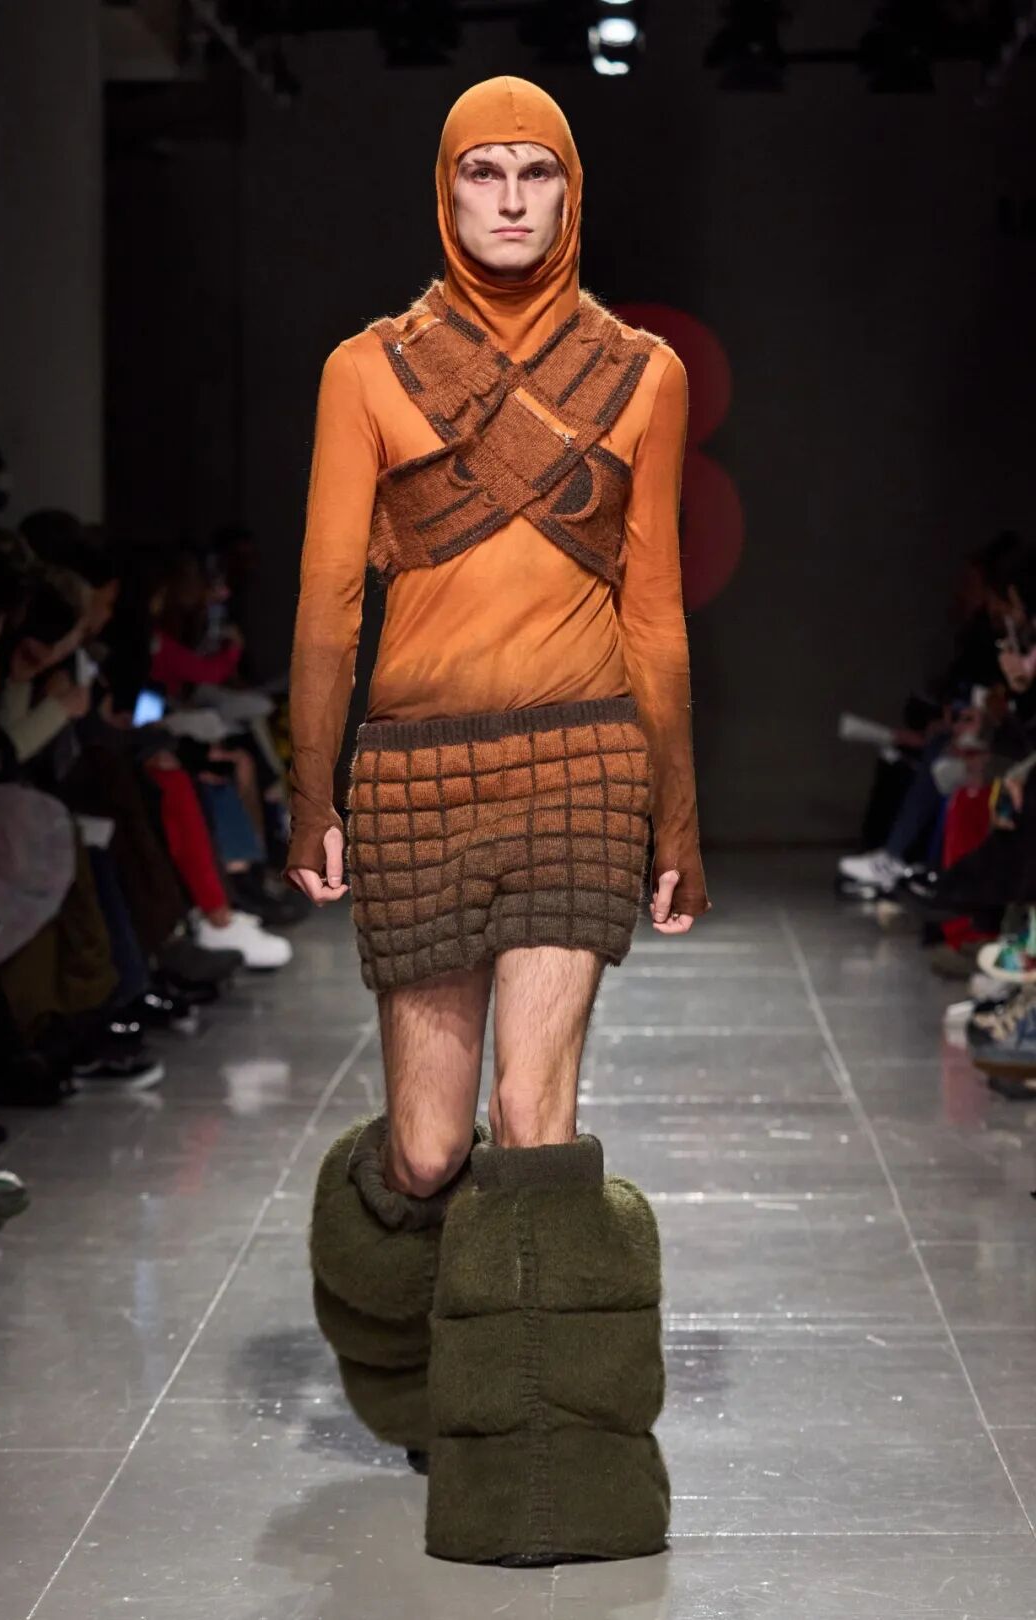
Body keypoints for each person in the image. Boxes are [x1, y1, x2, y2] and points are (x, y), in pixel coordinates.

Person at [286, 76, 709, 1566]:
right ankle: (413, 1366)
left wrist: (677, 812)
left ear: (572, 191)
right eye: (486, 173)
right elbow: (328, 601)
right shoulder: (369, 371)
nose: (513, 199)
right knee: (424, 1149)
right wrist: (311, 786)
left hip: (583, 761)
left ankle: (544, 1475)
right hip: (414, 773)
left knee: (534, 1124)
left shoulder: (641, 375)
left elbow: (653, 608)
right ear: (447, 191)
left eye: (539, 173)